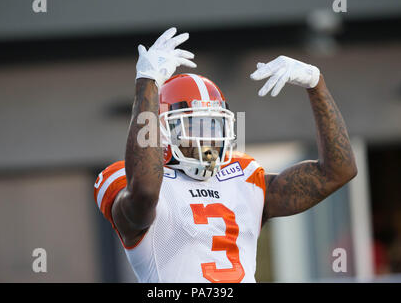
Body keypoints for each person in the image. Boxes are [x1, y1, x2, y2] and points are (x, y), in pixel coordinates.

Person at [93, 27, 357, 283]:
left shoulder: (244, 178)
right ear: (161, 131)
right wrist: (147, 85)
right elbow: (146, 192)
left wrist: (316, 84)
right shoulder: (130, 182)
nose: (208, 138)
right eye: (194, 125)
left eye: (213, 125)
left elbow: (339, 171)